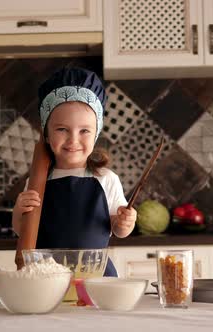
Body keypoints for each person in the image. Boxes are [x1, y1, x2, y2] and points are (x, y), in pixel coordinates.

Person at [11, 67, 137, 277]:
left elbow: (119, 230)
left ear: (96, 134)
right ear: (47, 134)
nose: (73, 140)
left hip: (96, 276)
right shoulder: (38, 181)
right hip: (48, 278)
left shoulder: (105, 179)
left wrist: (125, 222)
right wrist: (18, 210)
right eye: (62, 129)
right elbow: (21, 230)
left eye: (84, 131)